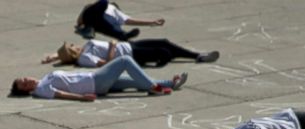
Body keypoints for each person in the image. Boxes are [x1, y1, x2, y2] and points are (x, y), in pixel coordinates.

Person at [12, 56, 187, 100]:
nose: (27, 81)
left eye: (24, 78)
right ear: (26, 90)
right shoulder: (41, 90)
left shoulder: (42, 80)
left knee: (133, 81)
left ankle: (171, 83)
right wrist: (82, 98)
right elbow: (59, 94)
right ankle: (155, 88)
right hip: (96, 81)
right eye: (24, 84)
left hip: (96, 81)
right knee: (125, 61)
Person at [43, 39, 218, 68]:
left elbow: (63, 55)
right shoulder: (84, 58)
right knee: (163, 52)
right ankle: (160, 59)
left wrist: (54, 56)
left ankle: (197, 56)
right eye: (71, 46)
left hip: (129, 45)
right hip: (129, 55)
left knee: (164, 42)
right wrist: (112, 48)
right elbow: (107, 64)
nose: (74, 44)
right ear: (73, 53)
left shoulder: (84, 48)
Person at [76, 0, 165, 41]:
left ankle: (124, 35)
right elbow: (80, 20)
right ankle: (89, 27)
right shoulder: (111, 7)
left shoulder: (117, 15)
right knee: (103, 2)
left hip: (98, 24)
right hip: (93, 15)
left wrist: (152, 22)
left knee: (114, 31)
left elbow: (130, 21)